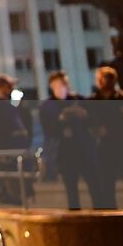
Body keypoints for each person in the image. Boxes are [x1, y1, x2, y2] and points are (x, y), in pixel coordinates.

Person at [89, 66, 123, 209]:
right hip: (105, 149)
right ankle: (111, 217)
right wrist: (96, 130)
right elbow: (88, 123)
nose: (105, 82)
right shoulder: (94, 101)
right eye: (102, 78)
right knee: (107, 187)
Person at [39, 71, 94, 210]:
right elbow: (49, 129)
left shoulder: (77, 100)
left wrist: (83, 115)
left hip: (83, 149)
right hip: (64, 153)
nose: (61, 87)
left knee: (95, 186)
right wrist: (61, 120)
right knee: (72, 190)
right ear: (51, 86)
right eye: (57, 85)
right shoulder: (48, 105)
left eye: (63, 84)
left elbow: (92, 120)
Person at [0, 74, 33, 205]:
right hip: (6, 154)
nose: (12, 89)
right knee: (11, 191)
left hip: (14, 151)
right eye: (9, 86)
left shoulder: (5, 103)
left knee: (19, 190)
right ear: (1, 87)